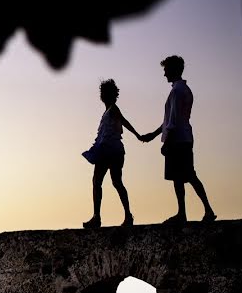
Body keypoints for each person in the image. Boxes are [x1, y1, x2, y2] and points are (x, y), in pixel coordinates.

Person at [140, 56, 217, 224]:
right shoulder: (184, 89)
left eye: (166, 70)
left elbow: (173, 121)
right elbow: (171, 119)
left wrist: (166, 143)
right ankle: (192, 211)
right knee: (183, 176)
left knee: (186, 176)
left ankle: (193, 212)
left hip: (177, 140)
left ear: (173, 69)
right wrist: (153, 135)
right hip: (184, 137)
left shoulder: (176, 91)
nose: (164, 74)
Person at [82, 79, 143, 228]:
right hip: (111, 150)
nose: (102, 95)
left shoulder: (113, 109)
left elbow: (124, 121)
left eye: (104, 93)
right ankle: (120, 216)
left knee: (101, 182)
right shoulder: (108, 111)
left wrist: (137, 135)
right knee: (111, 182)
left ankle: (103, 217)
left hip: (109, 150)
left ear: (109, 95)